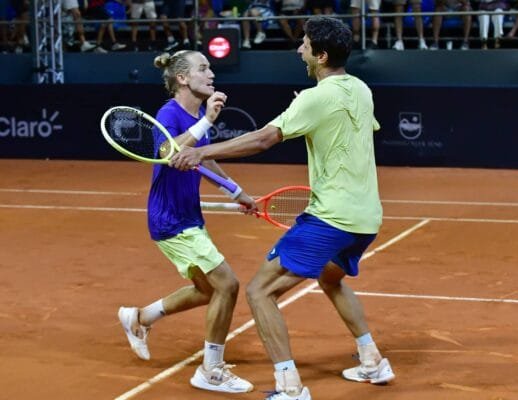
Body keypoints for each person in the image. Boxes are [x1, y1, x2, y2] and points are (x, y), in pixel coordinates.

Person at [170, 16, 395, 400]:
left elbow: (264, 139)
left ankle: (289, 387)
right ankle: (372, 359)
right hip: (366, 217)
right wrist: (307, 111)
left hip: (332, 218)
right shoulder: (360, 88)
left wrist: (200, 152)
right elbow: (339, 125)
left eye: (305, 45)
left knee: (260, 292)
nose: (299, 49)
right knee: (330, 277)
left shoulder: (315, 97)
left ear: (321, 55)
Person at [117, 50, 256, 394]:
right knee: (227, 285)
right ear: (182, 78)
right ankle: (211, 369)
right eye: (203, 69)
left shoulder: (195, 116)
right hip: (170, 220)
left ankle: (140, 317)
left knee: (207, 290)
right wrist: (207, 121)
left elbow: (201, 159)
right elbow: (168, 154)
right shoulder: (170, 113)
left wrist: (236, 191)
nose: (211, 74)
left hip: (188, 215)